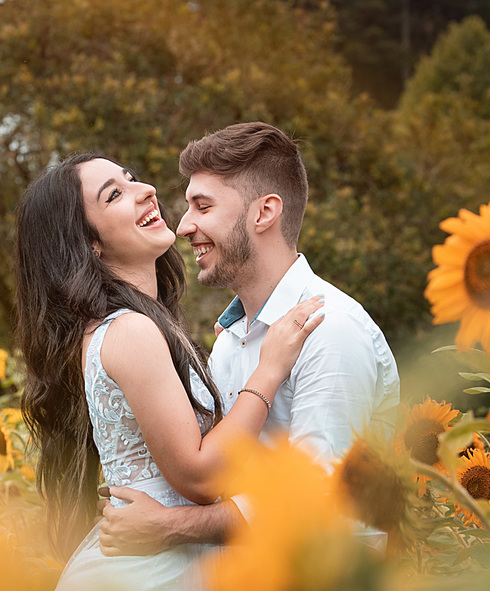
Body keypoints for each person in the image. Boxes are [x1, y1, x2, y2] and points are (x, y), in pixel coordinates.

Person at [14, 152, 323, 591]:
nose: (146, 191)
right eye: (114, 194)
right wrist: (268, 369)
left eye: (131, 178)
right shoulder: (130, 331)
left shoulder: (131, 327)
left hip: (160, 576)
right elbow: (198, 476)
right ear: (90, 243)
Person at [97, 122, 400, 557]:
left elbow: (318, 498)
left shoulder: (329, 330)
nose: (184, 226)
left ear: (264, 213)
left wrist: (171, 525)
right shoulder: (230, 341)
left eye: (202, 206)